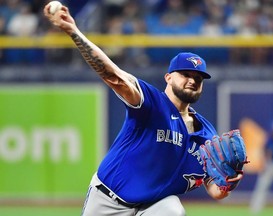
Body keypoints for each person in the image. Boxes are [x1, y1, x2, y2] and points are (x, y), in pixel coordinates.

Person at [43, 3, 242, 216]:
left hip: (153, 206)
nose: (192, 80)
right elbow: (114, 76)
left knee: (173, 210)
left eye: (198, 78)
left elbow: (215, 191)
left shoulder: (207, 135)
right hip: (109, 199)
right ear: (168, 77)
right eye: (186, 74)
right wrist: (74, 31)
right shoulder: (152, 103)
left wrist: (229, 183)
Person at [250, 119, 273, 214]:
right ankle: (255, 210)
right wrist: (265, 165)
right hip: (271, 166)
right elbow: (264, 154)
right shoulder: (269, 140)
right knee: (262, 185)